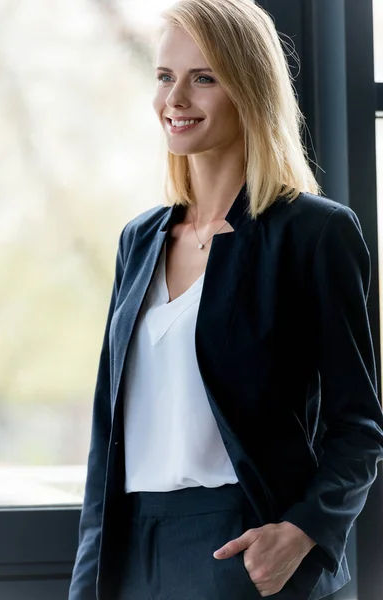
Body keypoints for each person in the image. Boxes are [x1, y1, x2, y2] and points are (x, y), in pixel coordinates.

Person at [68, 1, 383, 599]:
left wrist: (297, 535)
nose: (175, 98)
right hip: (132, 548)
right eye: (165, 76)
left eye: (203, 77)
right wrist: (88, 584)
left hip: (241, 549)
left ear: (250, 88)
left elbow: (358, 426)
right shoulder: (140, 240)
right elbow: (106, 438)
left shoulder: (314, 233)